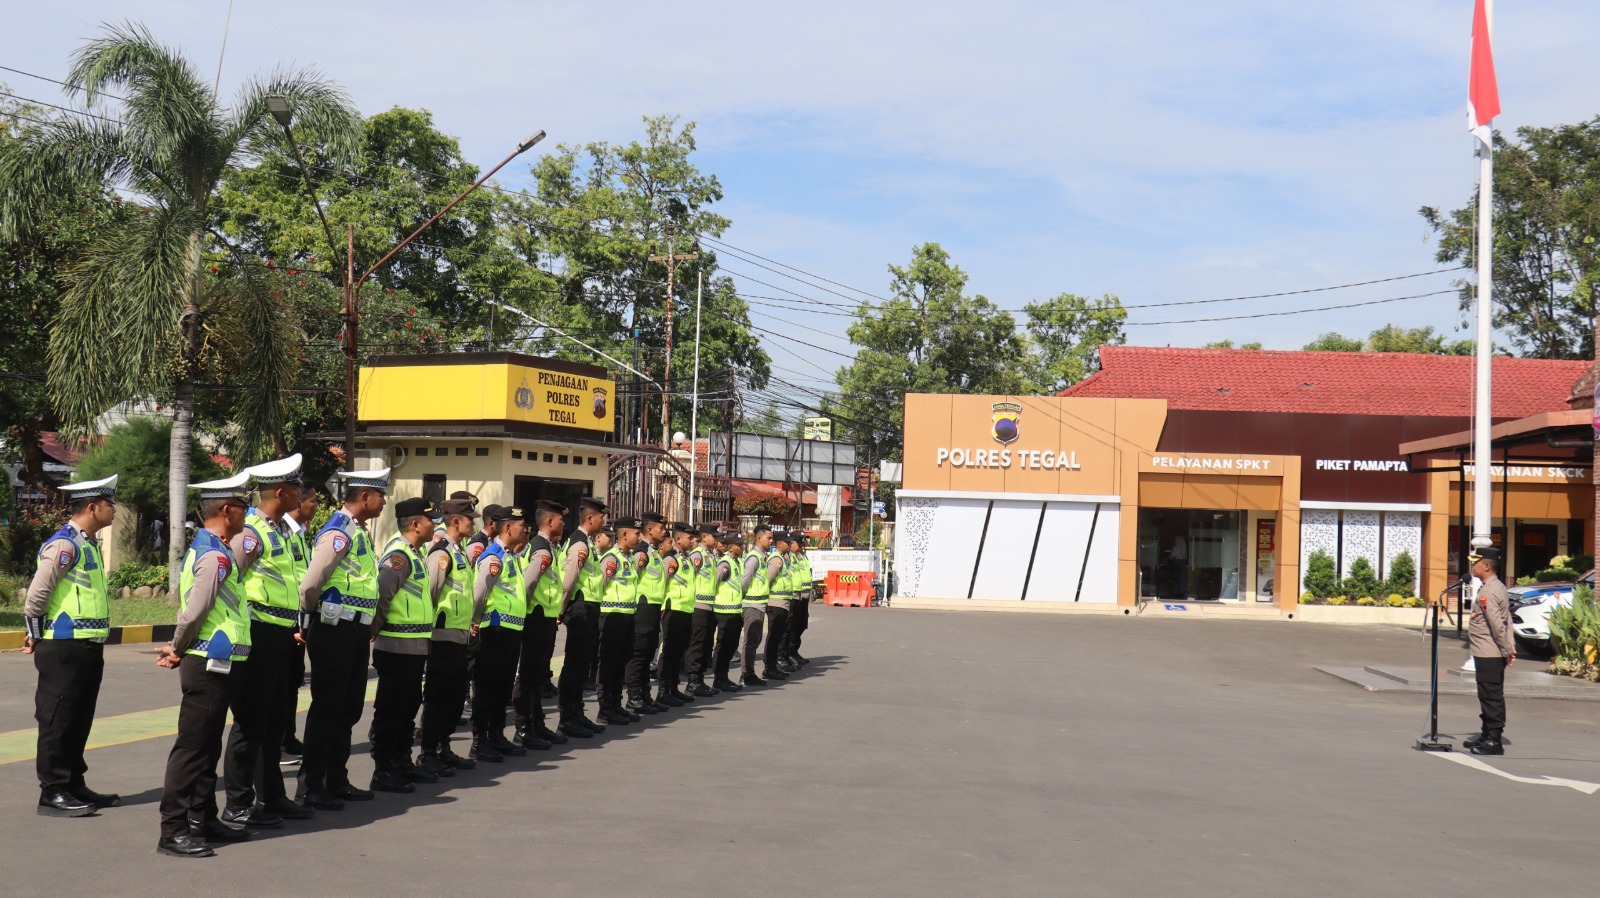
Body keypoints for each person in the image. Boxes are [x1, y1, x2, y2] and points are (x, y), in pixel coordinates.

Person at [155, 473, 255, 858]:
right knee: (193, 748)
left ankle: (201, 818)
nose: (247, 513)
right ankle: (173, 829)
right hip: (208, 663)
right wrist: (177, 647)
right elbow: (195, 611)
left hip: (220, 661)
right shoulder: (214, 555)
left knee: (208, 746)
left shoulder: (213, 548)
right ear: (227, 510)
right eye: (243, 507)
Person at [221, 454, 312, 829]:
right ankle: (238, 802)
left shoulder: (282, 531)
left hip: (281, 635)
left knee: (274, 721)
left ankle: (272, 795)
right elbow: (229, 581)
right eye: (295, 488)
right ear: (280, 492)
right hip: (257, 634)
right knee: (250, 721)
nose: (300, 495)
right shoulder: (252, 533)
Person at [24, 474, 120, 819]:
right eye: (110, 504)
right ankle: (52, 791)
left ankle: (74, 783)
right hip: (63, 647)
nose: (114, 510)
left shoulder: (87, 544)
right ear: (92, 507)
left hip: (87, 647)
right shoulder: (64, 546)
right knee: (58, 720)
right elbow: (36, 596)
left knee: (79, 719)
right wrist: (35, 633)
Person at [295, 467, 390, 811]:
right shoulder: (339, 532)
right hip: (334, 630)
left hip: (355, 632)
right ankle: (311, 786)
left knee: (348, 708)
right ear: (364, 496)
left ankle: (336, 779)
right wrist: (311, 618)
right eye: (381, 496)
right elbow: (310, 585)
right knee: (328, 709)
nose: (384, 502)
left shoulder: (358, 532)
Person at [369, 497, 439, 793]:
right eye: (431, 520)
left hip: (414, 645)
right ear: (415, 524)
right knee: (392, 710)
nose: (435, 525)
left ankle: (402, 760)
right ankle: (384, 768)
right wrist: (374, 631)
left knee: (408, 706)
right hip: (397, 645)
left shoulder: (414, 553)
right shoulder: (399, 555)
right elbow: (383, 594)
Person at [419, 498, 479, 778]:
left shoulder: (459, 552)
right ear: (455, 521)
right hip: (442, 636)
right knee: (438, 696)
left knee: (454, 697)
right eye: (469, 519)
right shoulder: (441, 553)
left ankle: (444, 747)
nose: (473, 523)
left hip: (459, 635)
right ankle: (428, 752)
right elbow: (431, 592)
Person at [471, 506, 531, 762]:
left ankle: (496, 735)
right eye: (521, 525)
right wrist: (475, 621)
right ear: (507, 527)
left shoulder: (511, 556)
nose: (525, 530)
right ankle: (480, 740)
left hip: (511, 630)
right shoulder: (494, 557)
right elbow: (479, 593)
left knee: (503, 687)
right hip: (495, 630)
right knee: (488, 686)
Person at [512, 500, 569, 750]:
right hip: (535, 618)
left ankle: (537, 723)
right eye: (561, 520)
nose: (563, 524)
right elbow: (527, 584)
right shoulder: (542, 550)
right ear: (549, 521)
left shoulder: (547, 547)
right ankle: (523, 728)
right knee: (529, 675)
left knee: (537, 675)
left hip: (544, 617)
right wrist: (524, 614)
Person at [556, 498, 609, 738]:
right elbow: (569, 580)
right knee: (575, 664)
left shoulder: (586, 542)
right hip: (580, 607)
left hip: (588, 606)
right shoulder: (579, 544)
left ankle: (577, 713)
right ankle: (567, 717)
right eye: (601, 517)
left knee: (582, 664)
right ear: (590, 518)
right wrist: (562, 609)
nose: (603, 521)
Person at [278, 485, 317, 759]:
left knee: (292, 682)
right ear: (298, 502)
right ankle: (279, 740)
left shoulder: (300, 533)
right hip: (282, 621)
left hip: (298, 620)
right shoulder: (284, 532)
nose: (316, 505)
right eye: (312, 500)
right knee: (281, 685)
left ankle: (286, 737)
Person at [1465, 547, 1516, 756]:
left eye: (1475, 563)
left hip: (1489, 651)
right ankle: (1487, 734)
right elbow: (1507, 619)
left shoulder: (1488, 591)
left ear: (1486, 566)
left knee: (1491, 696)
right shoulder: (1498, 586)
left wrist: (1506, 649)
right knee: (1487, 694)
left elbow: (1496, 623)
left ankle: (1494, 740)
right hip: (1489, 650)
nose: (1472, 566)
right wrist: (1510, 645)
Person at [596, 517, 644, 725]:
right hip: (612, 617)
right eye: (637, 533)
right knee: (609, 664)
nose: (640, 537)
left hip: (627, 616)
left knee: (621, 663)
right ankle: (605, 709)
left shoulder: (628, 558)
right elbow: (601, 586)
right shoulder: (611, 559)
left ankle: (616, 704)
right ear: (624, 534)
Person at [627, 512, 671, 715]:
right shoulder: (641, 551)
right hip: (642, 608)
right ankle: (634, 697)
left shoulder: (653, 552)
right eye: (661, 528)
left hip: (653, 608)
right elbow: (631, 578)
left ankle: (645, 696)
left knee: (647, 654)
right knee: (639, 654)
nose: (664, 531)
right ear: (650, 529)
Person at [656, 522, 696, 706]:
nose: (692, 540)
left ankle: (673, 688)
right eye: (689, 537)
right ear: (678, 539)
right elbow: (662, 583)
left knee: (679, 651)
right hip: (673, 610)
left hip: (685, 610)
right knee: (669, 651)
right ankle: (663, 691)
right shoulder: (670, 559)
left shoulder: (686, 559)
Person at [684, 528, 722, 696]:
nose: (717, 540)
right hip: (698, 606)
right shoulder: (697, 555)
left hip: (709, 605)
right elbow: (689, 578)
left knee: (706, 645)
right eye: (714, 536)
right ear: (704, 537)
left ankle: (699, 680)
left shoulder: (710, 556)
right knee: (696, 645)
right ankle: (693, 682)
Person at [739, 525, 776, 687]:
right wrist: (744, 598)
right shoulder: (754, 558)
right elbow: (744, 581)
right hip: (752, 604)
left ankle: (749, 673)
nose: (771, 541)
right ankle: (746, 675)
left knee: (755, 640)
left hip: (759, 604)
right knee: (751, 641)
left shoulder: (762, 557)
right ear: (759, 539)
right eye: (769, 538)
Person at [711, 532, 746, 693]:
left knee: (731, 645)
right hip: (724, 610)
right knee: (723, 646)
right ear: (730, 547)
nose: (742, 547)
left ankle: (724, 677)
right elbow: (714, 583)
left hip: (735, 609)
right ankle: (719, 679)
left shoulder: (736, 562)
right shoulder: (725, 563)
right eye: (739, 545)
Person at [763, 532, 794, 679]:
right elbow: (768, 579)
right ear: (780, 544)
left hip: (783, 603)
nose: (790, 544)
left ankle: (773, 666)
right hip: (775, 603)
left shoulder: (783, 558)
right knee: (774, 637)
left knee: (778, 636)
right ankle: (769, 667)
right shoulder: (776, 559)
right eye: (787, 542)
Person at [785, 532, 813, 667]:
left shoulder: (802, 557)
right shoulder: (788, 557)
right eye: (799, 544)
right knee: (791, 626)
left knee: (801, 625)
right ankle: (787, 653)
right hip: (793, 595)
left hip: (804, 595)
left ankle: (794, 650)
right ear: (791, 543)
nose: (802, 547)